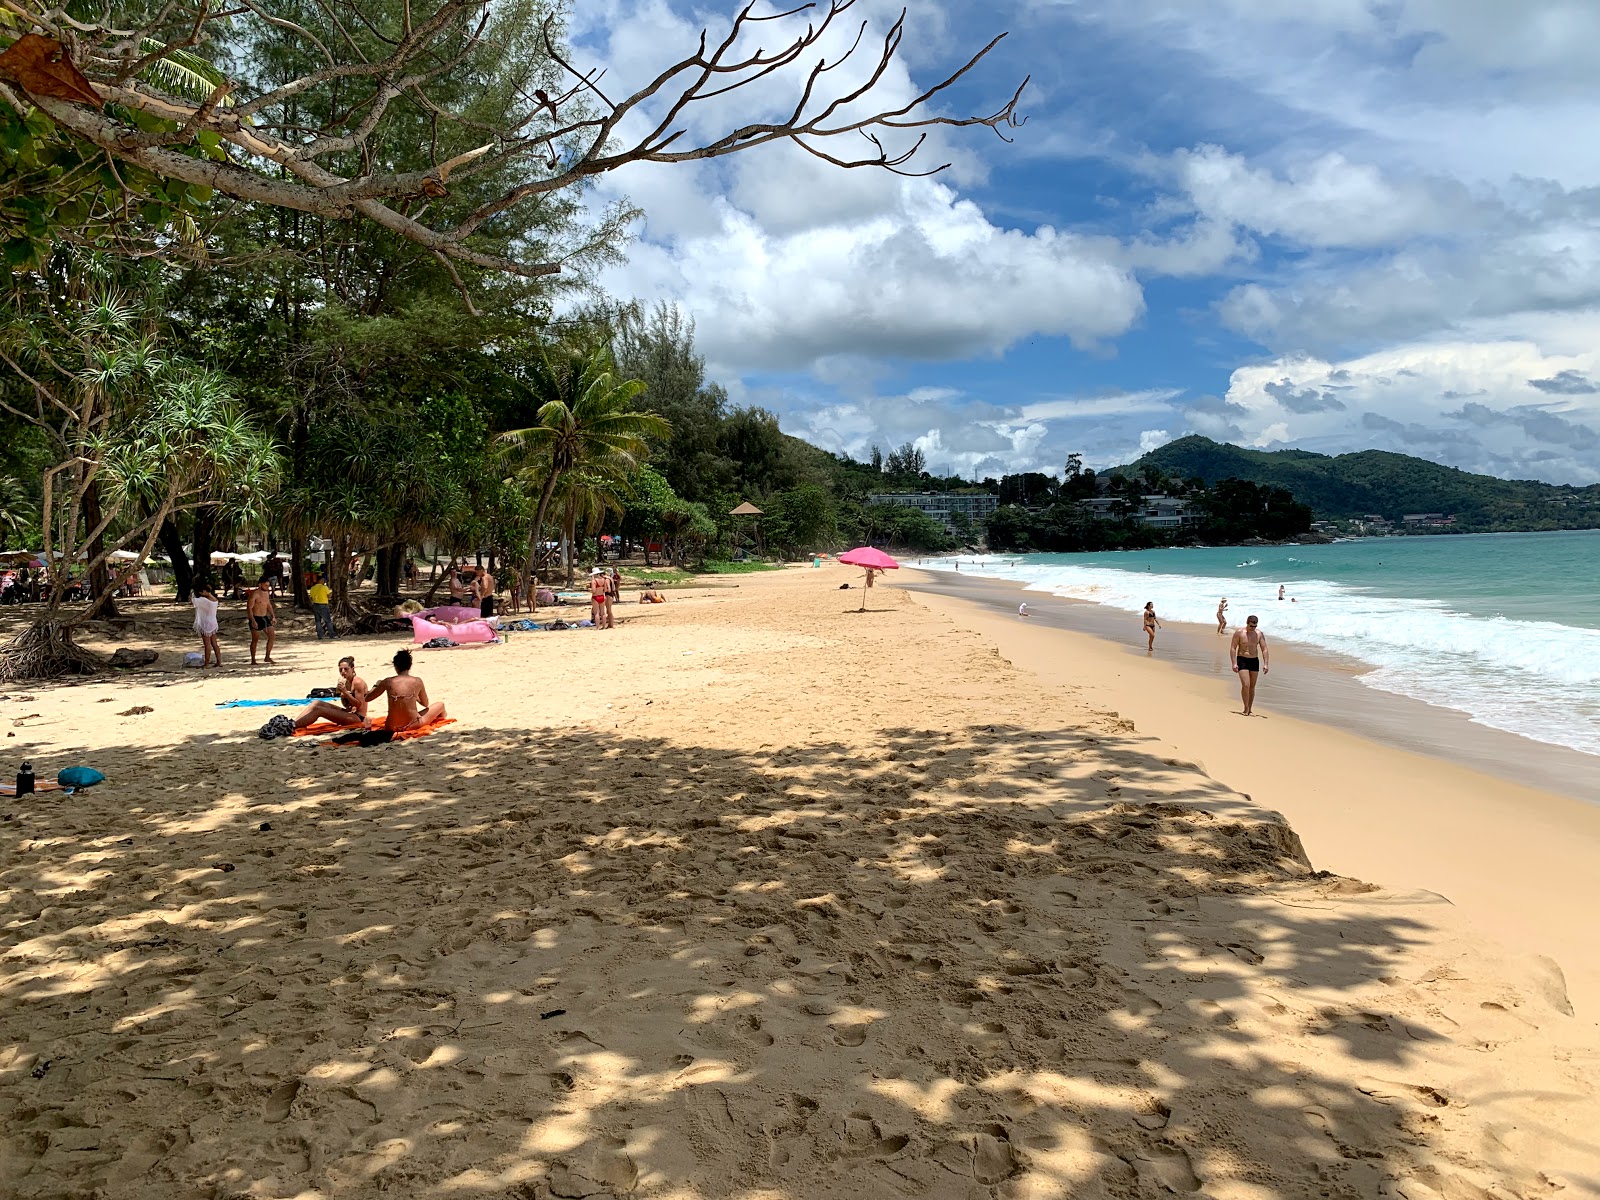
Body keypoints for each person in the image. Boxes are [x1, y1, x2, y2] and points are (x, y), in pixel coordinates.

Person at [365, 649, 445, 733]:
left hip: (391, 726)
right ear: (410, 665)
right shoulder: (417, 681)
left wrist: (376, 685)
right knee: (440, 705)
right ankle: (442, 720)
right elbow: (425, 704)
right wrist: (415, 697)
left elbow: (367, 698)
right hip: (412, 725)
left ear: (395, 666)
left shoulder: (388, 681)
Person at [295, 655, 368, 730]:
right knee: (316, 703)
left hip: (358, 717)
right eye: (341, 670)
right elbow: (346, 705)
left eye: (346, 669)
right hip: (349, 713)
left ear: (352, 669)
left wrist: (345, 692)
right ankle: (294, 723)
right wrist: (342, 696)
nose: (343, 672)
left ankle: (293, 726)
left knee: (319, 710)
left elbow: (359, 705)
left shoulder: (358, 682)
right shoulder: (346, 682)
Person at [1230, 614, 1269, 716]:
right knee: (1246, 685)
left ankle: (1250, 709)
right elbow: (1233, 648)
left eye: (1255, 626)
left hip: (1254, 660)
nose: (1253, 628)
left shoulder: (1259, 634)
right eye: (1251, 626)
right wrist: (1234, 663)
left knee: (1252, 686)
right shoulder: (1239, 633)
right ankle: (1245, 708)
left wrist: (1266, 664)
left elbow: (1264, 649)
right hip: (1242, 659)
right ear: (1247, 623)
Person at [246, 577, 277, 664]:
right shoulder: (254, 594)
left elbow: (268, 605)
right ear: (260, 585)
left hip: (264, 617)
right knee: (255, 639)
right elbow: (249, 608)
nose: (267, 587)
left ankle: (267, 656)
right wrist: (252, 620)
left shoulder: (267, 593)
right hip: (256, 617)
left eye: (268, 586)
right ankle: (253, 659)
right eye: (266, 585)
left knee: (272, 635)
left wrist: (273, 616)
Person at [193, 579, 222, 668]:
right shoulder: (214, 600)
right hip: (213, 622)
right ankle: (219, 661)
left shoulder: (204, 601)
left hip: (205, 623)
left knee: (207, 645)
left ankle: (206, 663)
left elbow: (193, 601)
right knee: (215, 644)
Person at [309, 573, 336, 640]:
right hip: (323, 605)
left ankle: (320, 635)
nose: (324, 581)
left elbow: (311, 597)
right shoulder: (324, 587)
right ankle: (332, 634)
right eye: (323, 580)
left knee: (318, 621)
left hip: (315, 605)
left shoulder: (313, 588)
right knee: (328, 621)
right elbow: (329, 596)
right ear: (320, 580)